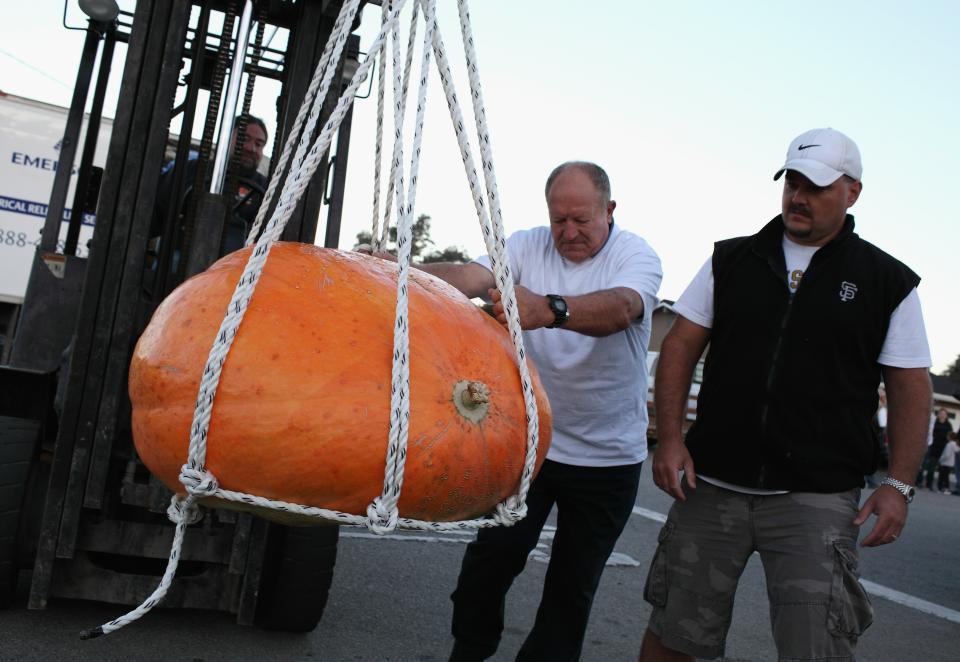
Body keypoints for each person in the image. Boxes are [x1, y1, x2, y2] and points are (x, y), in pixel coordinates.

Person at [639, 128, 932, 662]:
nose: (799, 196)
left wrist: (900, 485)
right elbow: (680, 346)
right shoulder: (732, 259)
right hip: (712, 486)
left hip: (815, 499)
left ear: (853, 192)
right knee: (676, 635)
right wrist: (671, 439)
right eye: (792, 182)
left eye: (816, 187)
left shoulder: (886, 281)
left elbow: (911, 385)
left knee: (817, 646)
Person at [373, 161, 662, 661]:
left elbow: (620, 309)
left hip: (608, 459)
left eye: (581, 220)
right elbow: (470, 275)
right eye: (559, 220)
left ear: (609, 211)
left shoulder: (635, 256)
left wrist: (550, 309)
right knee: (489, 563)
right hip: (529, 445)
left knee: (572, 588)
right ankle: (469, 650)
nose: (568, 232)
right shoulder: (527, 245)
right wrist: (397, 268)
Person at [153, 114, 269, 257]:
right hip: (182, 256)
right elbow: (157, 207)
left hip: (237, 265)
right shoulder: (192, 170)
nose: (251, 148)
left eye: (259, 144)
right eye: (244, 139)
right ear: (226, 138)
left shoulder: (267, 188)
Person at [920, 408, 953, 490]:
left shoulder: (948, 425)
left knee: (942, 470)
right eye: (941, 413)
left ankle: (941, 486)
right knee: (931, 467)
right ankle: (928, 484)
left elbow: (950, 436)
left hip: (944, 449)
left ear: (946, 416)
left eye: (944, 414)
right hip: (933, 448)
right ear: (938, 415)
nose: (942, 415)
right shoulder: (934, 423)